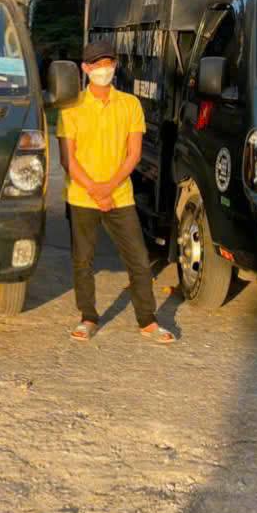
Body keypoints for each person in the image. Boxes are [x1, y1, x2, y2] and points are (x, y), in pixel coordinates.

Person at [58, 40, 176, 345]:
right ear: (85, 68)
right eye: (96, 64)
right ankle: (88, 317)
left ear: (115, 65)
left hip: (120, 195)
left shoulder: (130, 104)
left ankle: (148, 320)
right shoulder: (71, 106)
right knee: (83, 261)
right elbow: (67, 158)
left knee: (138, 260)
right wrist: (95, 190)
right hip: (82, 196)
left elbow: (134, 154)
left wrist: (108, 188)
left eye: (108, 63)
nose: (103, 69)